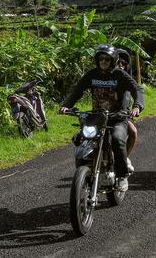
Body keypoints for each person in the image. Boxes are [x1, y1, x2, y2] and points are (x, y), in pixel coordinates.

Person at [60, 44, 143, 192]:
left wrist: (137, 106)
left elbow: (137, 89)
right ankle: (84, 170)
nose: (103, 61)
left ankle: (122, 176)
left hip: (117, 118)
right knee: (81, 138)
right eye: (101, 59)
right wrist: (67, 105)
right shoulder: (92, 75)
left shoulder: (120, 75)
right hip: (97, 117)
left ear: (113, 60)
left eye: (107, 59)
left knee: (117, 139)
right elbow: (77, 90)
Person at [115, 49, 139, 166]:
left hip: (122, 115)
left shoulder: (128, 80)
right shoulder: (104, 78)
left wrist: (136, 107)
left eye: (123, 64)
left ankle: (124, 159)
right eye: (118, 62)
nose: (120, 65)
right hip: (102, 114)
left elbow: (138, 91)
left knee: (133, 132)